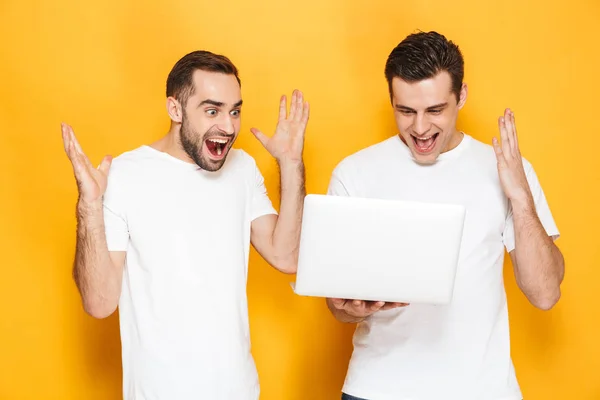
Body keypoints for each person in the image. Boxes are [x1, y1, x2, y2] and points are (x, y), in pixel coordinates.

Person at [326, 31, 564, 400]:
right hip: (378, 389)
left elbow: (545, 293)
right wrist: (353, 307)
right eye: (406, 111)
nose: (420, 129)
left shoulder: (506, 170)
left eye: (435, 110)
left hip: (482, 391)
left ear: (461, 96)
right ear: (391, 99)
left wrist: (519, 196)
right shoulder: (354, 173)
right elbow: (338, 307)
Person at [61, 50, 309, 399]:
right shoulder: (124, 176)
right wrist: (89, 205)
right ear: (175, 110)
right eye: (212, 110)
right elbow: (100, 303)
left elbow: (288, 257)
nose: (228, 126)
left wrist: (291, 162)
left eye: (234, 110)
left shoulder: (241, 168)